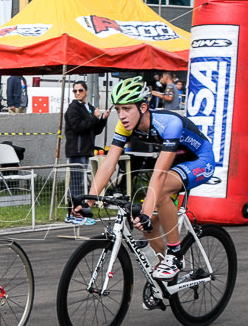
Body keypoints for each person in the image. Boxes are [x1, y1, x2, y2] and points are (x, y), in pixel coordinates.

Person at [73, 77, 217, 301]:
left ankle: (176, 255)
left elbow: (159, 175)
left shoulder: (169, 124)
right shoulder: (124, 126)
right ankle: (166, 282)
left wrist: (147, 212)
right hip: (176, 163)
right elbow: (109, 163)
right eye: (118, 109)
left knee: (158, 193)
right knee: (147, 226)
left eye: (127, 109)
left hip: (200, 160)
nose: (121, 115)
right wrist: (89, 201)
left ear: (143, 107)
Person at [64, 80, 109, 225]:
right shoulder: (73, 109)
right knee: (76, 182)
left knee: (81, 183)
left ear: (86, 91)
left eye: (80, 90)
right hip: (76, 150)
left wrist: (102, 120)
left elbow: (94, 129)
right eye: (75, 91)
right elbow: (78, 127)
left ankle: (79, 211)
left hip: (85, 149)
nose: (77, 93)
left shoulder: (88, 107)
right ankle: (71, 213)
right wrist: (94, 118)